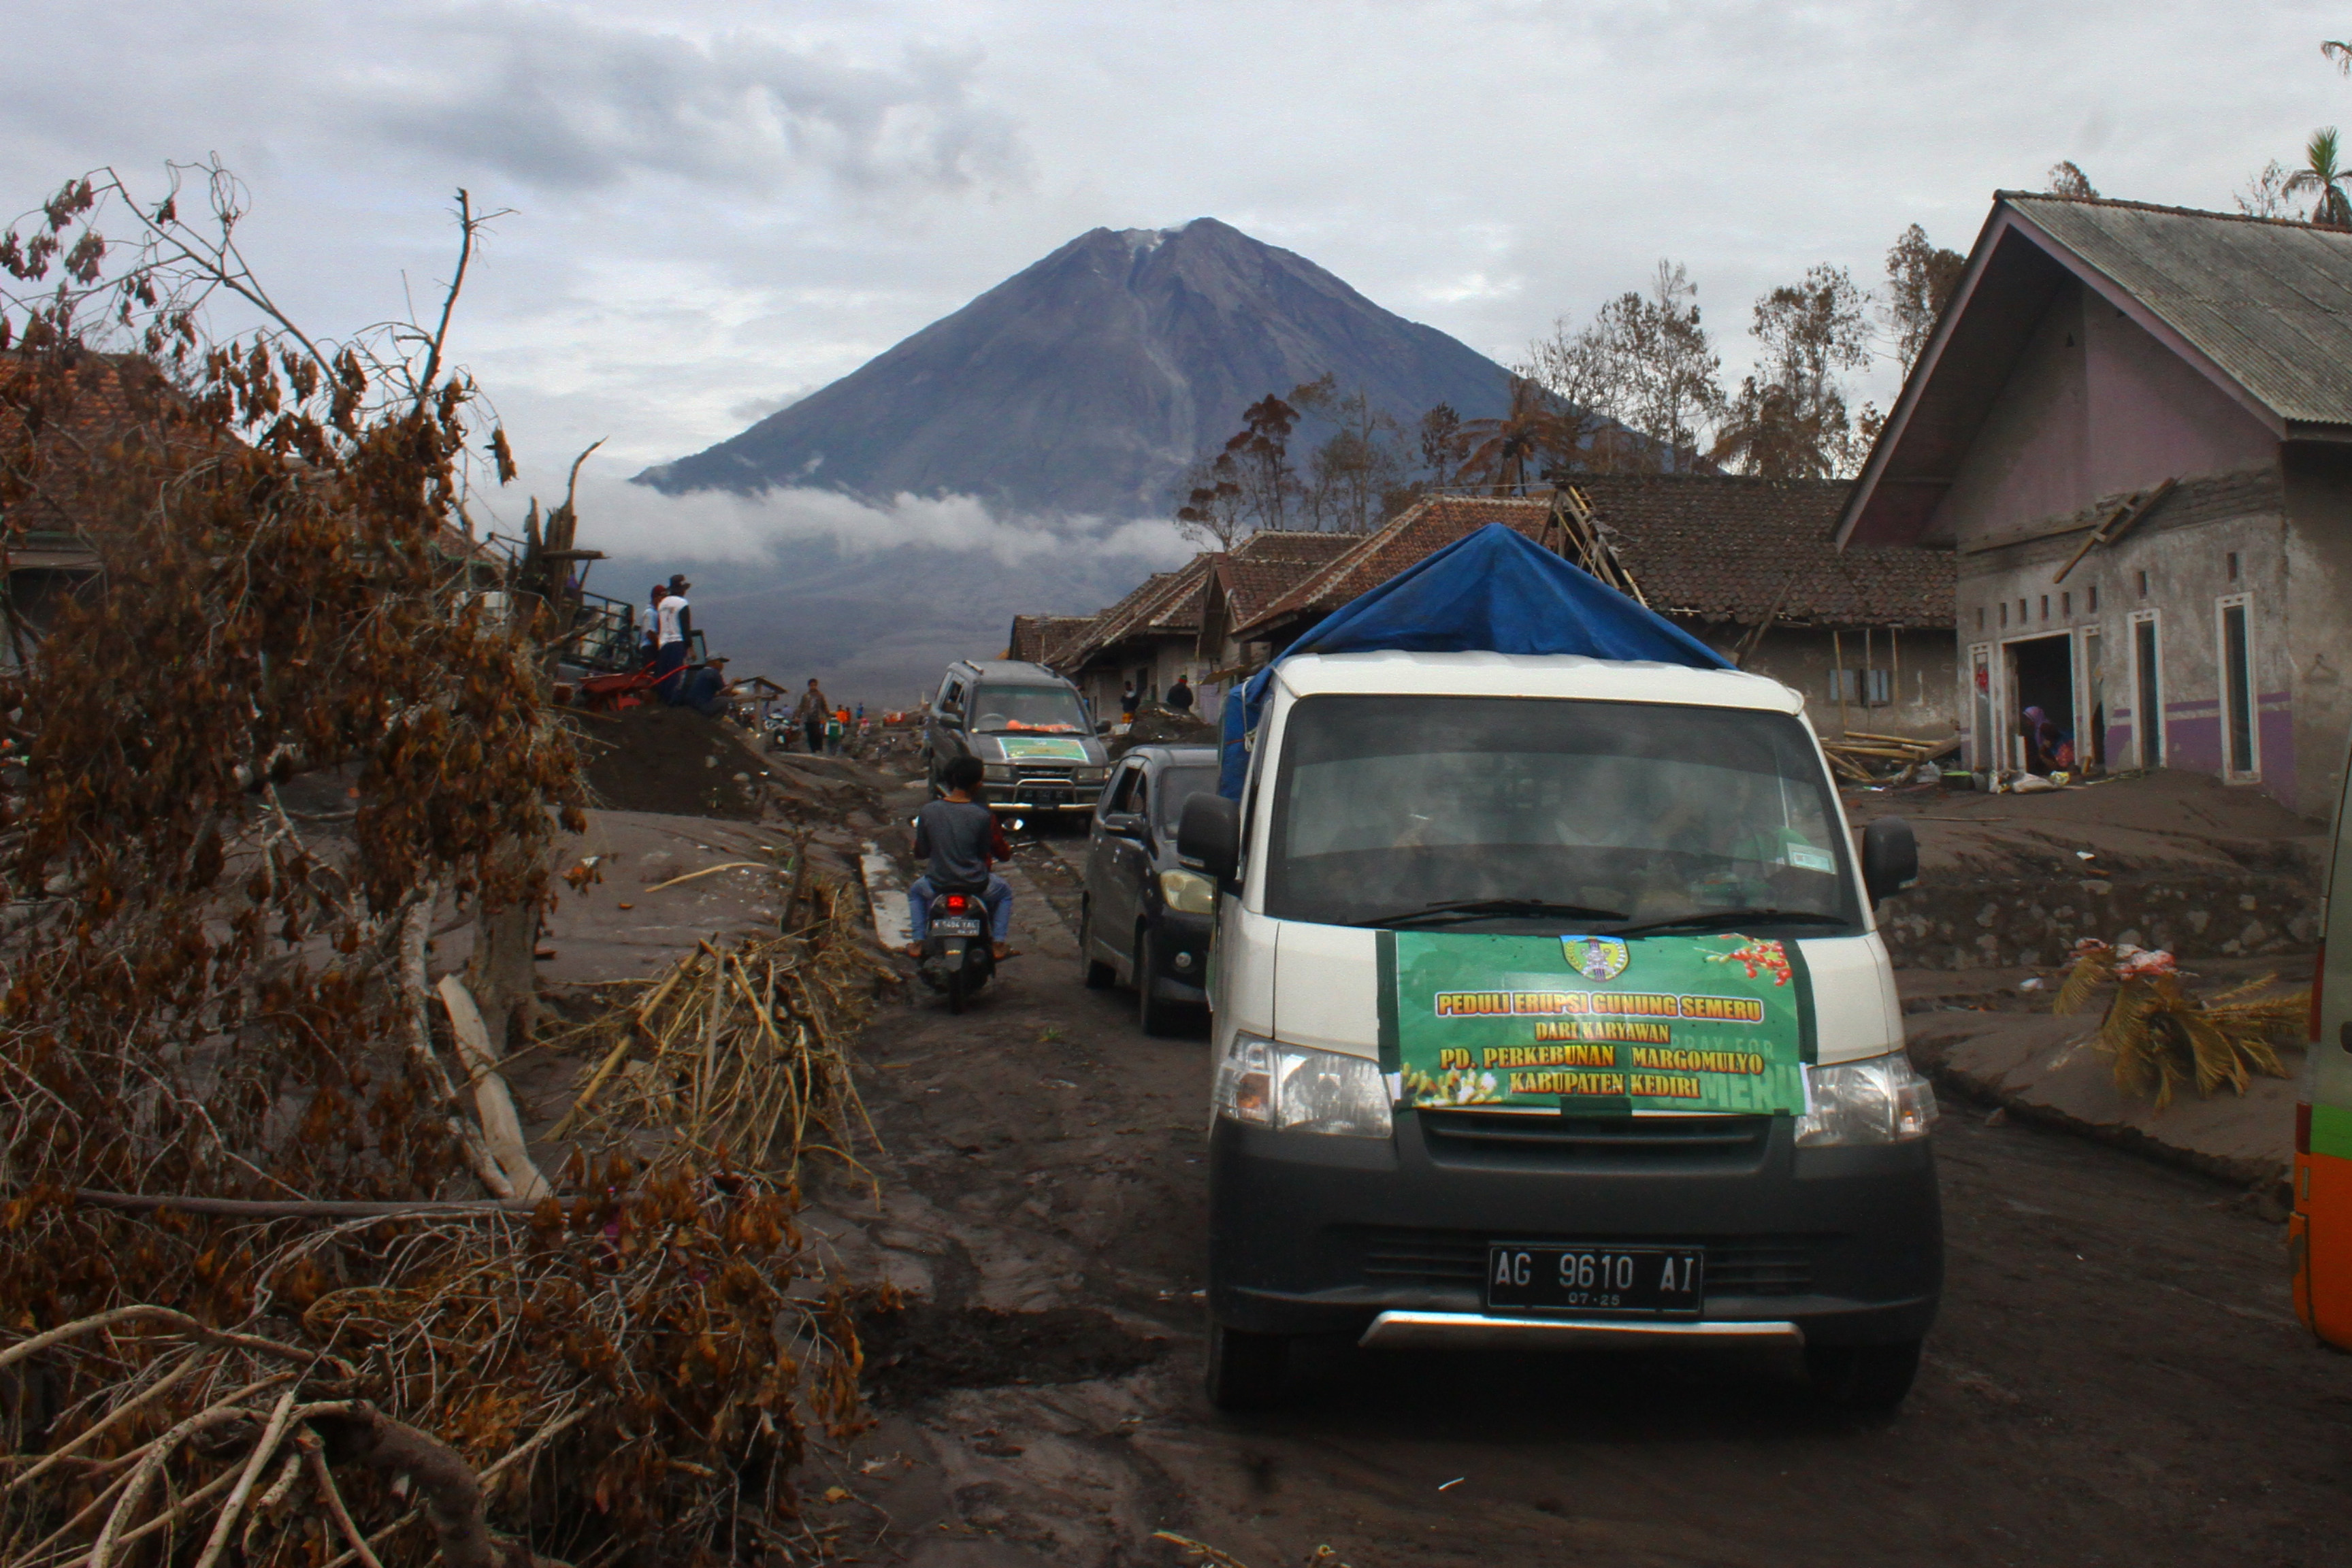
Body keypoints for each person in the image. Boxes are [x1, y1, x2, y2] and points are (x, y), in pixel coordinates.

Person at [906, 755, 1015, 962]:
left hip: (937, 883)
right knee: (1004, 893)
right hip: (977, 884)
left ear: (950, 779)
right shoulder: (983, 815)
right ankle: (998, 943)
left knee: (916, 893)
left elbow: (921, 852)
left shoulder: (929, 811)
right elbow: (987, 852)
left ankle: (918, 942)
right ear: (978, 784)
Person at [653, 575, 693, 704]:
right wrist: (690, 646)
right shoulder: (682, 603)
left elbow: (660, 626)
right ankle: (671, 702)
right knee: (675, 674)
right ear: (681, 590)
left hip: (664, 643)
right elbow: (685, 626)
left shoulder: (662, 604)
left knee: (664, 674)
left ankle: (662, 700)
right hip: (678, 642)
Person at [794, 678, 830, 754]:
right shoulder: (805, 696)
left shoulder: (820, 695)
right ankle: (813, 750)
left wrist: (828, 715)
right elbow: (801, 707)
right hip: (808, 718)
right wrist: (798, 716)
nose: (813, 687)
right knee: (810, 735)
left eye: (814, 685)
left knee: (817, 733)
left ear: (816, 686)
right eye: (811, 685)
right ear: (809, 686)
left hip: (817, 718)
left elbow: (824, 706)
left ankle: (819, 749)